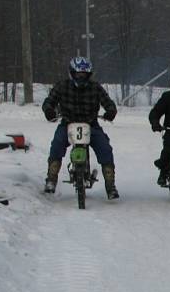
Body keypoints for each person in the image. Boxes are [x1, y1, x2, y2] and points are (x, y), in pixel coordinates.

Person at [42, 56, 119, 199]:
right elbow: (49, 101)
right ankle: (51, 179)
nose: (81, 77)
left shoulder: (95, 87)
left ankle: (110, 185)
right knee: (57, 145)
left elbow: (108, 102)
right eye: (78, 74)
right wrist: (49, 110)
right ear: (72, 73)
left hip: (91, 124)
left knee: (105, 149)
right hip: (67, 124)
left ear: (89, 75)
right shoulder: (62, 86)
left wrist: (111, 111)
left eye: (84, 74)